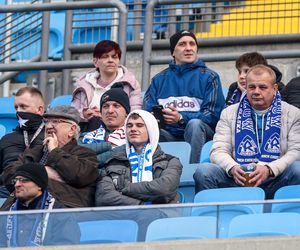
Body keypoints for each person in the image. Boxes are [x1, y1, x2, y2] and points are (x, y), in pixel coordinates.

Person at [193, 65, 300, 199]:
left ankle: (291, 216)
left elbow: (296, 152)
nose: (256, 91)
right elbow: (218, 150)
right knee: (204, 171)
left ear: (274, 89)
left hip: (275, 178)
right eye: (251, 87)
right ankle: (211, 217)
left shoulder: (293, 113)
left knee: (297, 169)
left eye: (262, 87)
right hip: (238, 178)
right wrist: (232, 168)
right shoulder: (229, 113)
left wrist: (269, 169)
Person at [143, 30, 225, 163]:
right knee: (149, 130)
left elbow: (213, 115)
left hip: (201, 136)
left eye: (192, 44)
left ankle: (192, 172)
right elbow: (146, 113)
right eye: (182, 44)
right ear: (173, 52)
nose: (188, 48)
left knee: (195, 124)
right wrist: (157, 118)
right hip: (169, 134)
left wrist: (181, 118)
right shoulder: (158, 80)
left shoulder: (210, 77)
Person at [2, 105, 99, 207]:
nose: (48, 126)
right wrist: (41, 172)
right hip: (20, 211)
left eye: (56, 121)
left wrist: (54, 151)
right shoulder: (32, 152)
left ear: (72, 130)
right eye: (46, 122)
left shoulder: (85, 154)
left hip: (60, 214)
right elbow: (9, 177)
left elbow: (78, 175)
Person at [95, 110, 182, 206]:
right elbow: (104, 197)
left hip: (161, 216)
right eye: (129, 126)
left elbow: (164, 189)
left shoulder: (170, 161)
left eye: (139, 125)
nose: (133, 129)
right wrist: (141, 205)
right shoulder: (113, 162)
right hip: (125, 217)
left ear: (151, 130)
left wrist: (125, 188)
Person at [0, 163, 80, 247]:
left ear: (39, 185)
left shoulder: (59, 213)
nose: (17, 184)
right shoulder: (7, 212)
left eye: (24, 180)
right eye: (15, 180)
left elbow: (67, 246)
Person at [72, 40, 142, 120]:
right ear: (95, 62)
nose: (110, 60)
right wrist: (84, 114)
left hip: (120, 130)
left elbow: (135, 115)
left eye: (114, 57)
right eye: (105, 56)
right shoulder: (83, 84)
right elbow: (73, 115)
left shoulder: (130, 83)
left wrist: (106, 116)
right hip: (88, 129)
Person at [0, 86, 45, 198]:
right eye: (16, 107)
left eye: (23, 107)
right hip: (7, 191)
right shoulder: (7, 139)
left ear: (40, 110)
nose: (18, 111)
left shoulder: (51, 135)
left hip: (42, 191)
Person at [80, 86, 131, 166]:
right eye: (105, 106)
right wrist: (111, 145)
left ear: (126, 113)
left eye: (116, 106)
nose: (110, 111)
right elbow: (76, 150)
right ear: (100, 112)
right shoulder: (85, 136)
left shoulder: (132, 137)